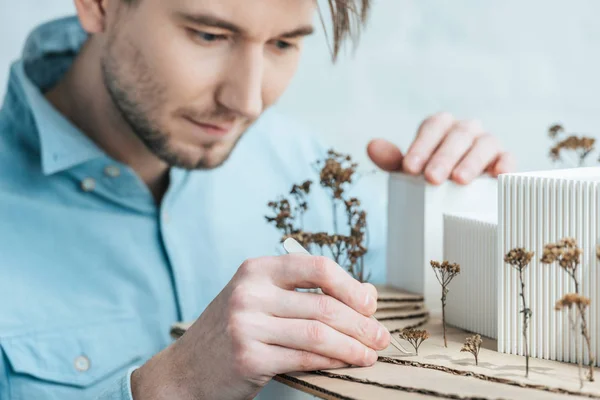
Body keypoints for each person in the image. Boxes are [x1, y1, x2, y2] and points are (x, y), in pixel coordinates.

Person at [0, 0, 515, 399]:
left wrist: (458, 213)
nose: (246, 102)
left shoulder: (309, 172)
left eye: (284, 44)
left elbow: (429, 337)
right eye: (208, 35)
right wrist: (167, 388)